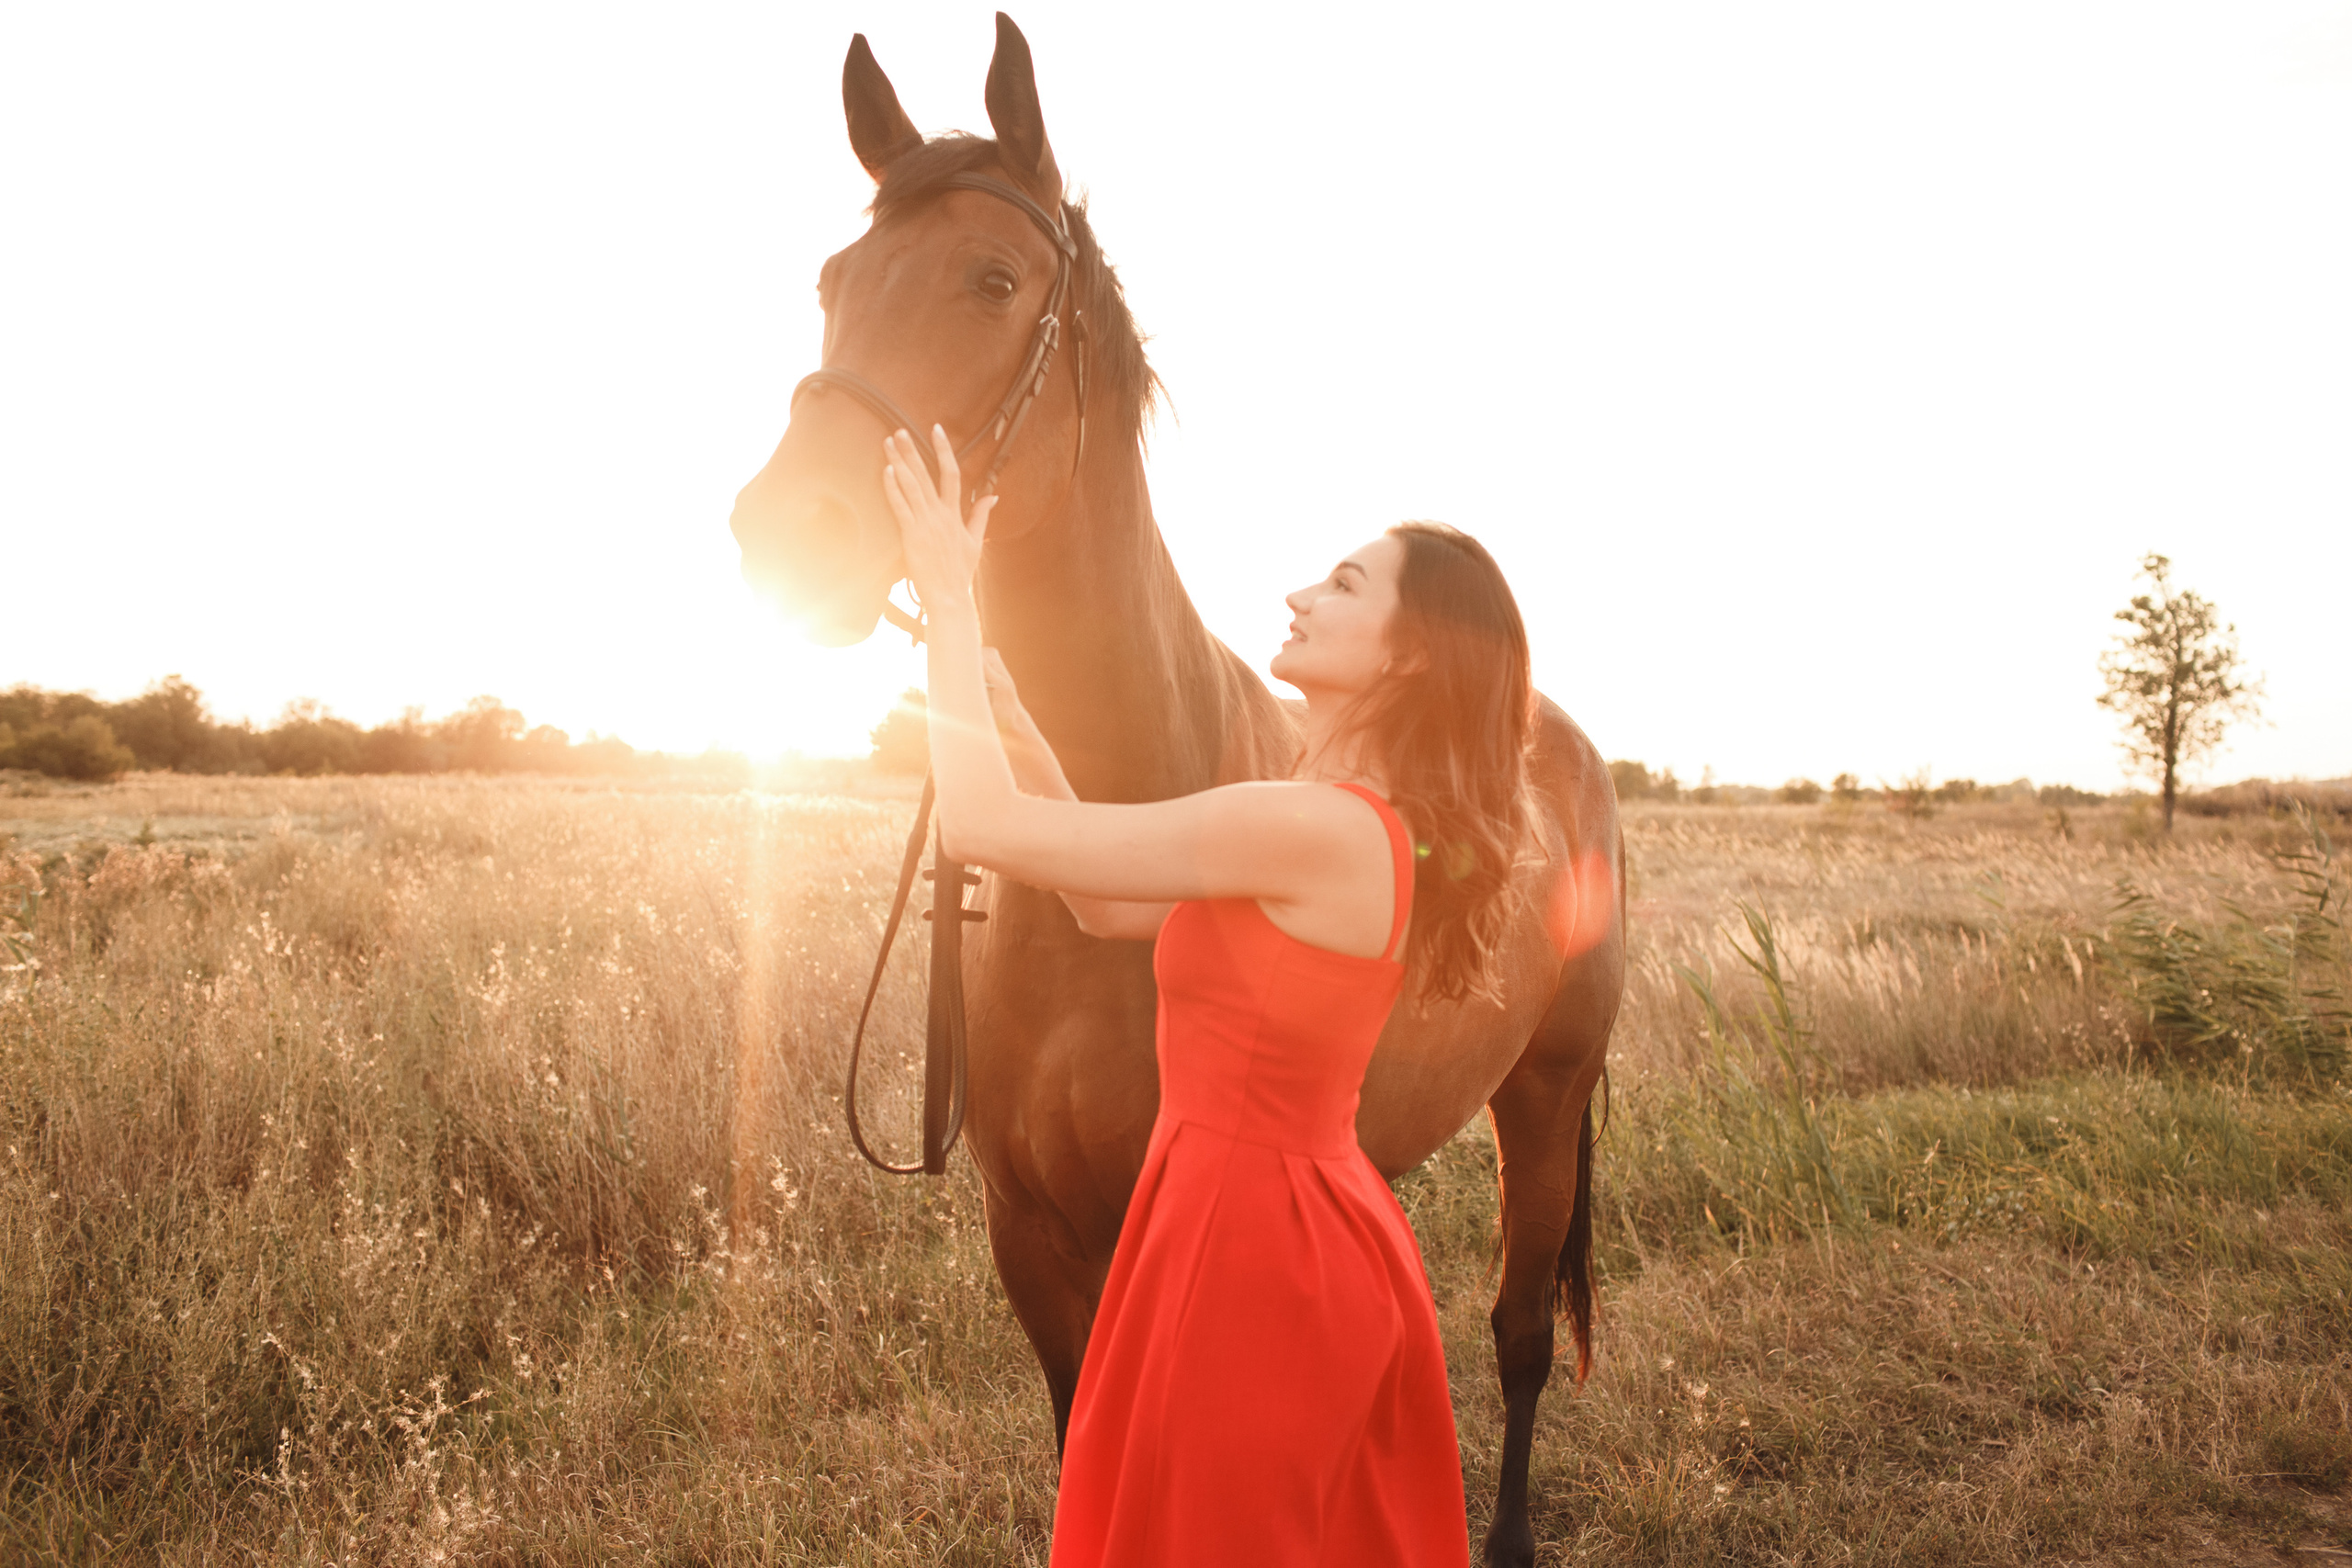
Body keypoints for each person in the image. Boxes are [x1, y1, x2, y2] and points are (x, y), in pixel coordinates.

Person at [882, 423, 1535, 1568]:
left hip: (1256, 1259)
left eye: (1341, 584)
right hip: (1248, 1227)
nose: (1296, 596)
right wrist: (1016, 719)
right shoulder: (1327, 821)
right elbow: (1102, 907)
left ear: (1413, 653)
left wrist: (950, 598)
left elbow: (987, 831)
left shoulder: (1310, 828)